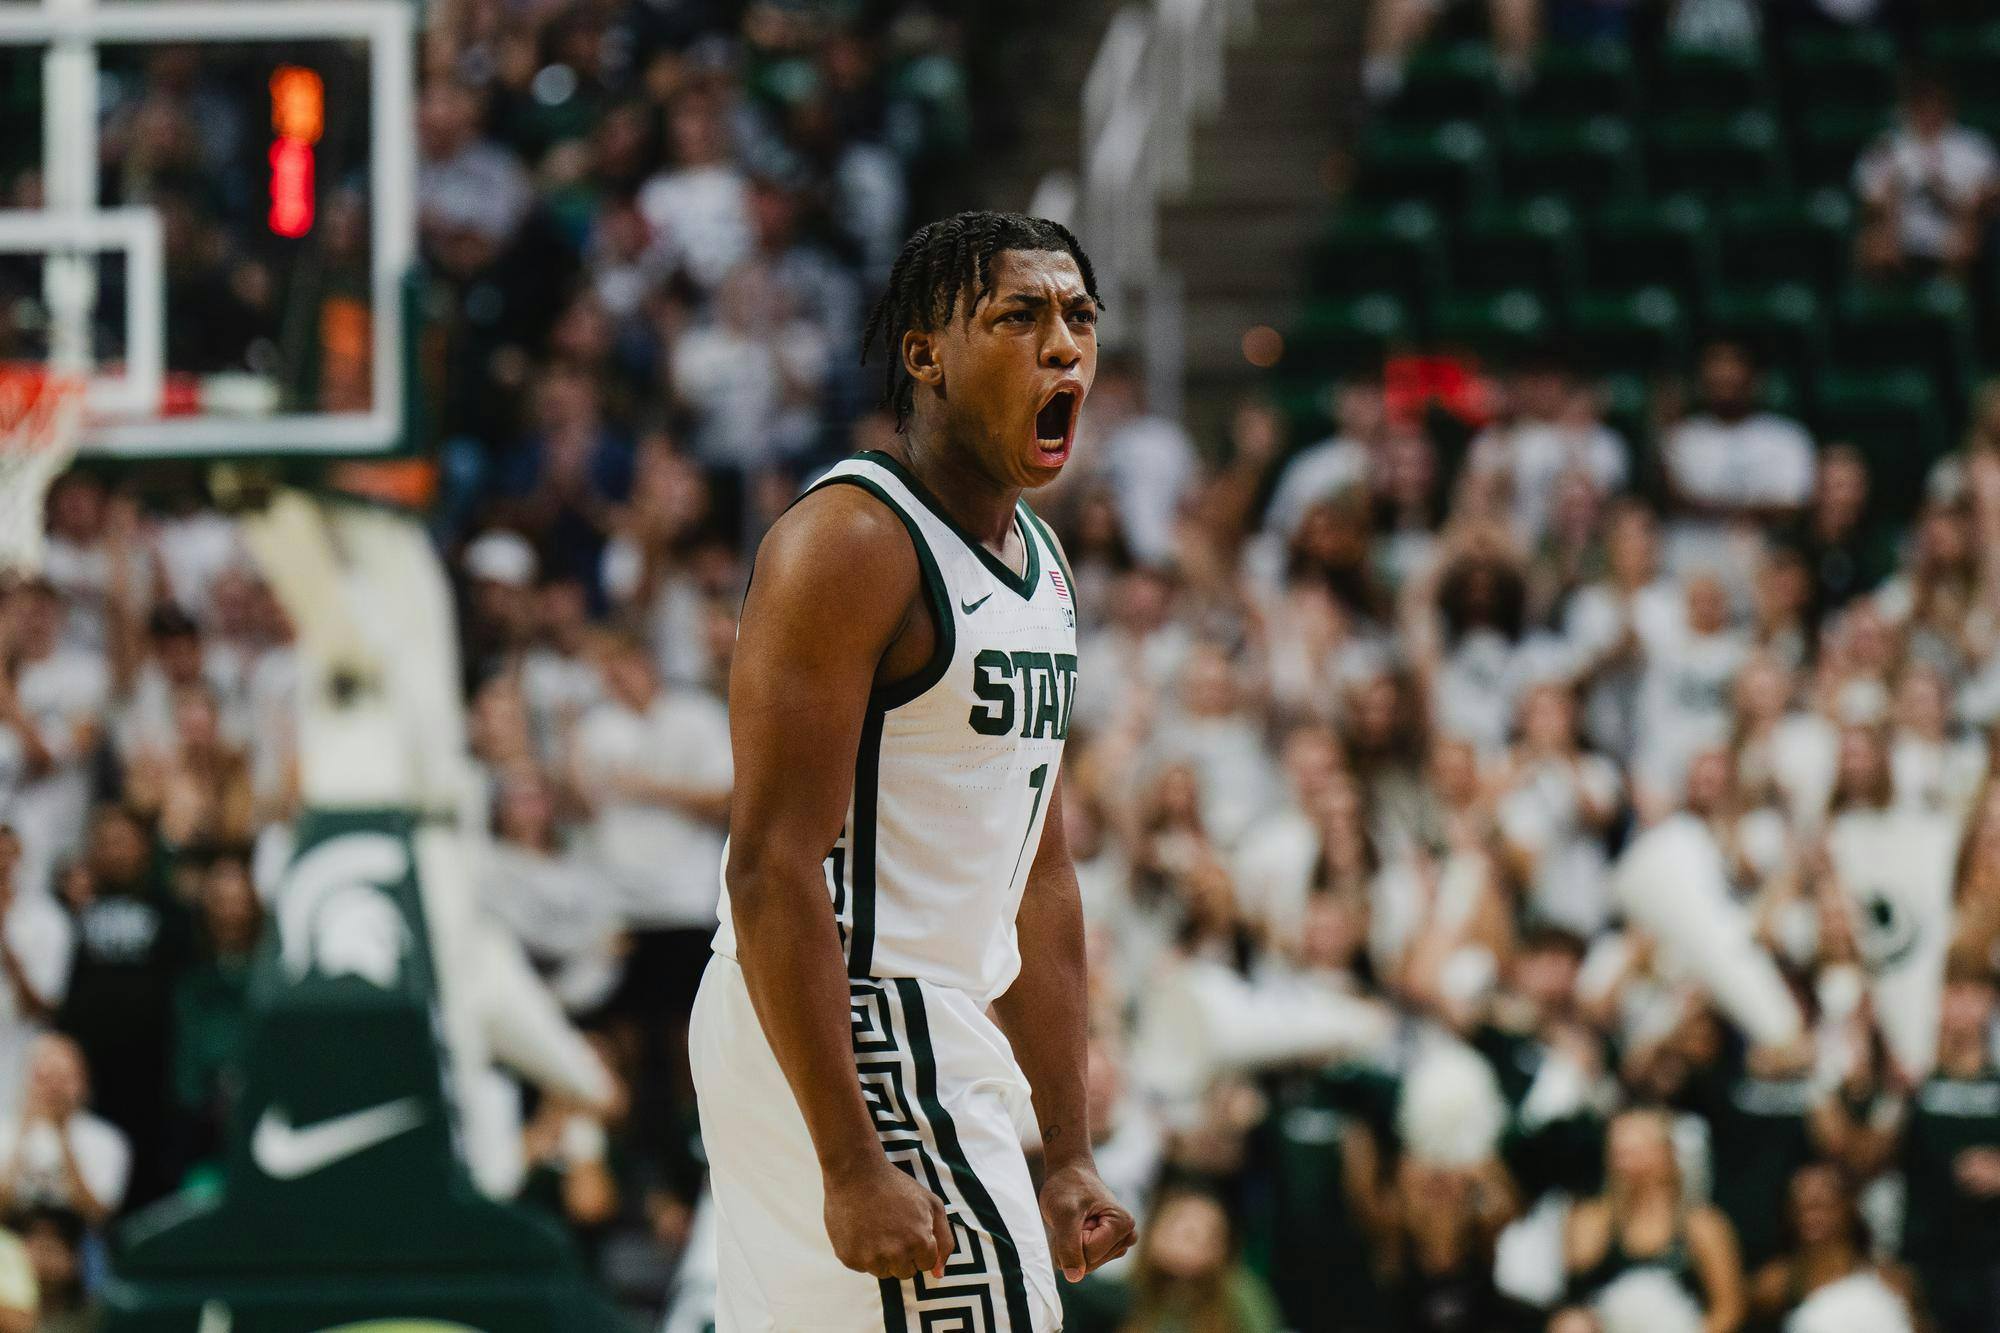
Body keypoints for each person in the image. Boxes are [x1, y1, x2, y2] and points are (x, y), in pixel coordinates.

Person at [690, 211, 1134, 1331]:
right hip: (856, 1013)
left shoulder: (1039, 566)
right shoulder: (850, 540)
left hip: (917, 1018)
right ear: (923, 353)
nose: (1063, 345)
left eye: (1078, 317)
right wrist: (849, 1158)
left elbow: (1035, 875)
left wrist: (1067, 1146)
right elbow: (768, 868)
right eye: (1019, 316)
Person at [1559, 1108, 1747, 1333]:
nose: (1625, 1164)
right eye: (1618, 1153)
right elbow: (1575, 1289)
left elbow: (1728, 1310)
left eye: (1636, 1153)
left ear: (1667, 1154)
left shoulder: (1702, 1224)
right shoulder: (1591, 1218)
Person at [1855, 68, 2000, 281]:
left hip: (1955, 228)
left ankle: (1954, 303)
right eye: (1920, 102)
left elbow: (1989, 200)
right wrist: (1887, 211)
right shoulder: (1887, 146)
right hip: (1902, 230)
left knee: (1967, 241)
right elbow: (1870, 202)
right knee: (1872, 243)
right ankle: (1888, 305)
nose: (1928, 109)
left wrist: (1951, 200)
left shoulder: (1973, 146)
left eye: (1933, 101)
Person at [0, 1035, 130, 1229]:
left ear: (83, 1082)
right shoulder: (5, 1131)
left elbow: (97, 1217)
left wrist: (63, 1136)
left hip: (76, 1244)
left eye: (62, 1079)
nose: (53, 1089)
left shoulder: (107, 1139)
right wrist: (22, 1135)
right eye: (44, 1078)